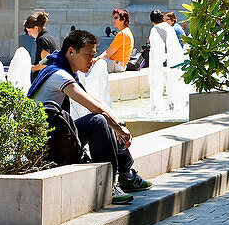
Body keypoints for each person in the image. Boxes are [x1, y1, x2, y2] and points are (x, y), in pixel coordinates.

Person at [27, 29, 152, 205]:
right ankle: (110, 184)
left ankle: (124, 174)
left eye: (93, 55)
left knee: (106, 119)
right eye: (88, 55)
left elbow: (96, 102)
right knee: (98, 120)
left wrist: (118, 125)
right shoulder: (58, 75)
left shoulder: (59, 68)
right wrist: (118, 128)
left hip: (57, 136)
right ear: (71, 52)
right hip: (49, 145)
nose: (92, 60)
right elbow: (93, 107)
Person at [24, 11, 58, 75]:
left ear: (36, 28)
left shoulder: (42, 40)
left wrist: (31, 68)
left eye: (29, 31)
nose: (29, 34)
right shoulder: (49, 37)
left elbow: (45, 63)